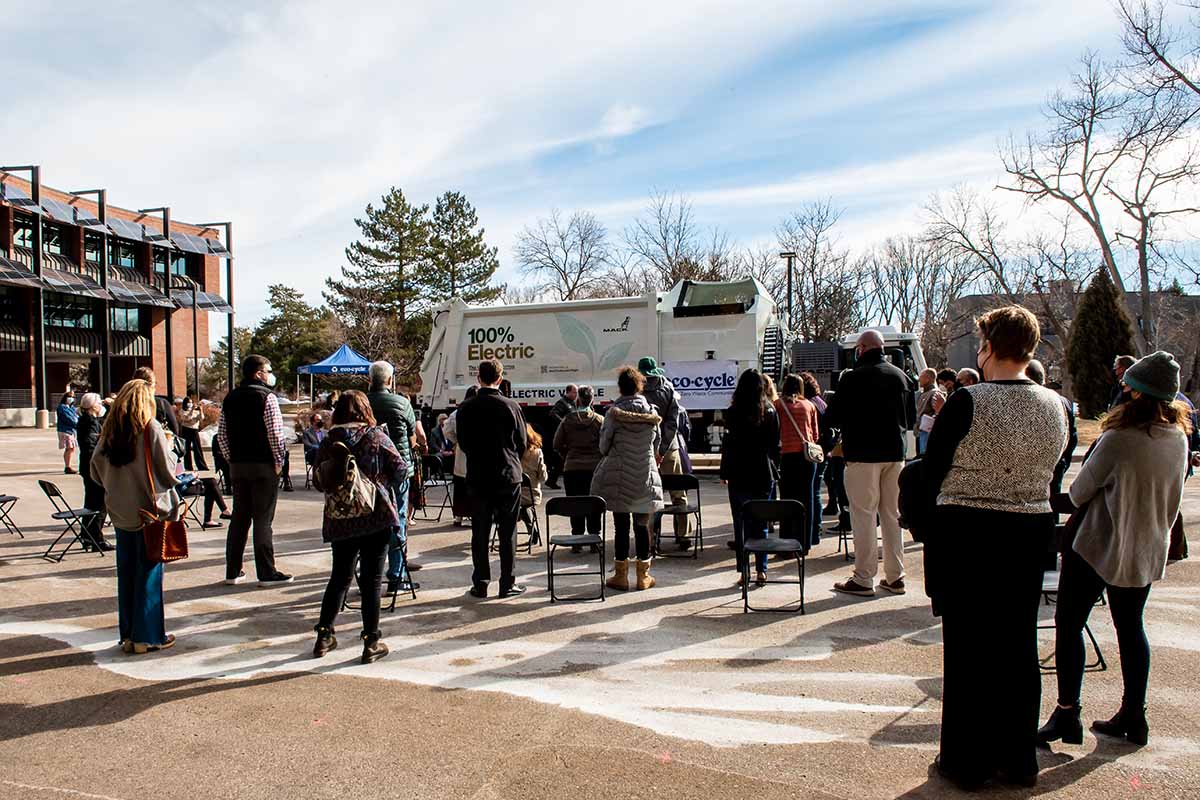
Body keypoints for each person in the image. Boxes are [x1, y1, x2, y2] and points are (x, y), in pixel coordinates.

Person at [921, 305, 1069, 789]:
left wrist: (925, 520)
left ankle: (967, 761)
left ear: (988, 347)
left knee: (969, 647)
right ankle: (1018, 757)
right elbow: (1055, 471)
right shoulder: (1057, 407)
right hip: (1029, 530)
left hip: (969, 531)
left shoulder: (969, 401)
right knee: (1017, 644)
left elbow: (933, 467)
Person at [1038, 352, 1190, 751]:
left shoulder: (1119, 438)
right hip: (1145, 543)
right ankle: (1133, 714)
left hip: (1097, 543)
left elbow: (1079, 492)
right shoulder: (1178, 438)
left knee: (1069, 624)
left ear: (1137, 393)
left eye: (1127, 386)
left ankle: (1067, 712)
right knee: (1131, 627)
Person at [310, 390, 404, 665]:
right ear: (365, 410)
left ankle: (324, 635)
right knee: (373, 580)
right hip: (375, 515)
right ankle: (371, 641)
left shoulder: (329, 442)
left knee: (340, 576)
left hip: (341, 517)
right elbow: (400, 469)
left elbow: (318, 481)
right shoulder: (375, 436)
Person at [90, 379, 181, 655]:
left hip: (120, 512)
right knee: (149, 576)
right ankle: (148, 635)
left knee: (127, 575)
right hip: (148, 513)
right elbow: (166, 473)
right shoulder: (150, 428)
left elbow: (95, 469)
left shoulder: (110, 430)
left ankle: (129, 634)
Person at [826, 329, 913, 597]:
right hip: (895, 453)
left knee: (863, 515)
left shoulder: (853, 378)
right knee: (891, 515)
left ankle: (864, 577)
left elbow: (833, 416)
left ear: (861, 349)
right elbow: (909, 417)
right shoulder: (902, 377)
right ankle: (895, 576)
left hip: (863, 453)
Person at [216, 355, 292, 587]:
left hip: (238, 465)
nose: (271, 374)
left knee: (239, 518)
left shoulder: (230, 397)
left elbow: (221, 434)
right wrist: (279, 461)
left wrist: (231, 459)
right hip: (263, 464)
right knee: (263, 519)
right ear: (258, 373)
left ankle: (233, 570)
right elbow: (275, 433)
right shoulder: (267, 397)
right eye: (268, 370)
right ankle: (266, 572)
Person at [456, 359, 529, 599]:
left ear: (479, 378)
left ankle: (481, 582)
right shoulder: (511, 405)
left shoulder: (466, 407)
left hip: (478, 475)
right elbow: (522, 441)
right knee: (508, 531)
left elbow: (464, 443)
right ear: (500, 378)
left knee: (480, 530)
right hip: (507, 474)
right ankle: (507, 582)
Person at [592, 367, 663, 591]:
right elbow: (656, 445)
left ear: (621, 387)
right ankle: (643, 577)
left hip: (619, 474)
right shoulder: (652, 413)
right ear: (640, 386)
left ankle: (621, 577)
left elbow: (603, 447)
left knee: (621, 527)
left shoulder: (613, 413)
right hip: (645, 474)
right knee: (642, 526)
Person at [720, 369, 780, 587]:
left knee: (741, 524)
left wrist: (724, 472)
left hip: (738, 472)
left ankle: (744, 570)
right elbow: (775, 445)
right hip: (763, 472)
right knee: (760, 523)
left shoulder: (733, 412)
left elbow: (728, 445)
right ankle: (761, 569)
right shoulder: (770, 411)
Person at [367, 361, 418, 594]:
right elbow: (412, 434)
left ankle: (369, 575)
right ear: (389, 380)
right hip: (398, 469)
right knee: (397, 520)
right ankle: (396, 576)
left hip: (368, 471)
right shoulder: (401, 402)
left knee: (368, 521)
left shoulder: (361, 402)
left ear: (370, 380)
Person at [638, 357, 691, 550]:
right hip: (671, 450)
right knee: (679, 494)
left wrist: (654, 448)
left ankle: (650, 539)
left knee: (649, 497)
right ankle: (683, 535)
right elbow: (673, 422)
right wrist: (664, 447)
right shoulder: (669, 388)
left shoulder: (638, 392)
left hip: (646, 450)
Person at [775, 374, 820, 549]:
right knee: (807, 498)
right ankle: (805, 542)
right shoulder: (809, 405)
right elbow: (815, 434)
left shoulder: (778, 405)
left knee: (786, 498)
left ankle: (786, 541)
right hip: (807, 458)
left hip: (786, 456)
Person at [554, 385, 604, 540]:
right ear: (592, 400)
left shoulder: (567, 420)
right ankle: (594, 535)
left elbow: (556, 444)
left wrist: (568, 454)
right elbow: (606, 444)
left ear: (577, 399)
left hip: (572, 467)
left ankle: (577, 536)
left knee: (574, 502)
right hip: (594, 468)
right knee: (594, 502)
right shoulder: (599, 420)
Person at [1025, 359, 1078, 496]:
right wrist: (1063, 463)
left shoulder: (1023, 402)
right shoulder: (1062, 402)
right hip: (1055, 467)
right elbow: (1071, 439)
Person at [76, 392, 112, 551]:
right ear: (93, 406)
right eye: (99, 403)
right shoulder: (89, 422)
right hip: (93, 468)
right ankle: (97, 538)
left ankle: (87, 536)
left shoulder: (88, 420)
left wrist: (110, 406)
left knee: (90, 502)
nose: (101, 406)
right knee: (99, 503)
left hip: (87, 467)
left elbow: (106, 421)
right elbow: (90, 446)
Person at [443, 386, 476, 526]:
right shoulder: (480, 412)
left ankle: (458, 517)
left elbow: (447, 430)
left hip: (462, 452)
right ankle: (475, 514)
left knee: (460, 486)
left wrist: (456, 440)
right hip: (478, 454)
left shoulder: (457, 413)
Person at [132, 366, 181, 439]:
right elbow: (175, 430)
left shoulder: (125, 404)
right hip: (156, 446)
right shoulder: (162, 404)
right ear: (152, 384)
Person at [545, 384, 577, 489]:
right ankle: (551, 480)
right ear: (568, 392)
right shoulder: (562, 403)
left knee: (562, 460)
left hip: (570, 435)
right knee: (562, 459)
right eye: (574, 392)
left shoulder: (572, 403)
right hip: (564, 436)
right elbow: (553, 413)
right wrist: (563, 423)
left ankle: (551, 480)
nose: (576, 394)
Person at [519, 424, 548, 538]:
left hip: (513, 494)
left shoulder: (512, 453)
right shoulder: (537, 453)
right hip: (532, 494)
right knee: (525, 506)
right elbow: (543, 478)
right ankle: (530, 527)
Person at [914, 368, 942, 457]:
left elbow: (938, 411)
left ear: (928, 379)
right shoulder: (921, 394)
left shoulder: (935, 393)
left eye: (921, 377)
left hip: (927, 433)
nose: (919, 379)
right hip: (919, 431)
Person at [176, 395, 208, 471]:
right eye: (188, 402)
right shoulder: (182, 411)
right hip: (186, 429)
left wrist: (201, 410)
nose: (190, 404)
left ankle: (201, 466)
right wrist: (191, 411)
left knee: (197, 448)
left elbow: (201, 418)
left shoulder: (196, 410)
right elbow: (187, 418)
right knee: (187, 448)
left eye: (191, 402)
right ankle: (188, 466)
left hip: (194, 429)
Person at [56, 388, 79, 474]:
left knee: (71, 448)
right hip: (65, 430)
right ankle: (67, 466)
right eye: (69, 396)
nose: (71, 398)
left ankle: (68, 465)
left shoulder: (72, 407)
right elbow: (69, 419)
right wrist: (78, 425)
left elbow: (76, 417)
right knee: (69, 448)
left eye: (73, 397)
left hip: (71, 430)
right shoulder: (62, 407)